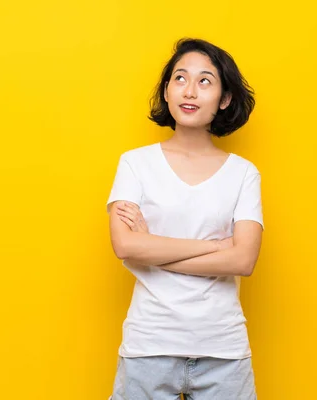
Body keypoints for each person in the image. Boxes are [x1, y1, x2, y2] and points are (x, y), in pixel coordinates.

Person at [106, 37, 264, 400]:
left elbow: (243, 259)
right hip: (149, 346)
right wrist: (214, 248)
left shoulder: (243, 173)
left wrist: (154, 247)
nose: (189, 90)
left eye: (205, 81)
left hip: (223, 351)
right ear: (166, 91)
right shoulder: (135, 163)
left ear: (224, 99)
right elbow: (125, 246)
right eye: (180, 78)